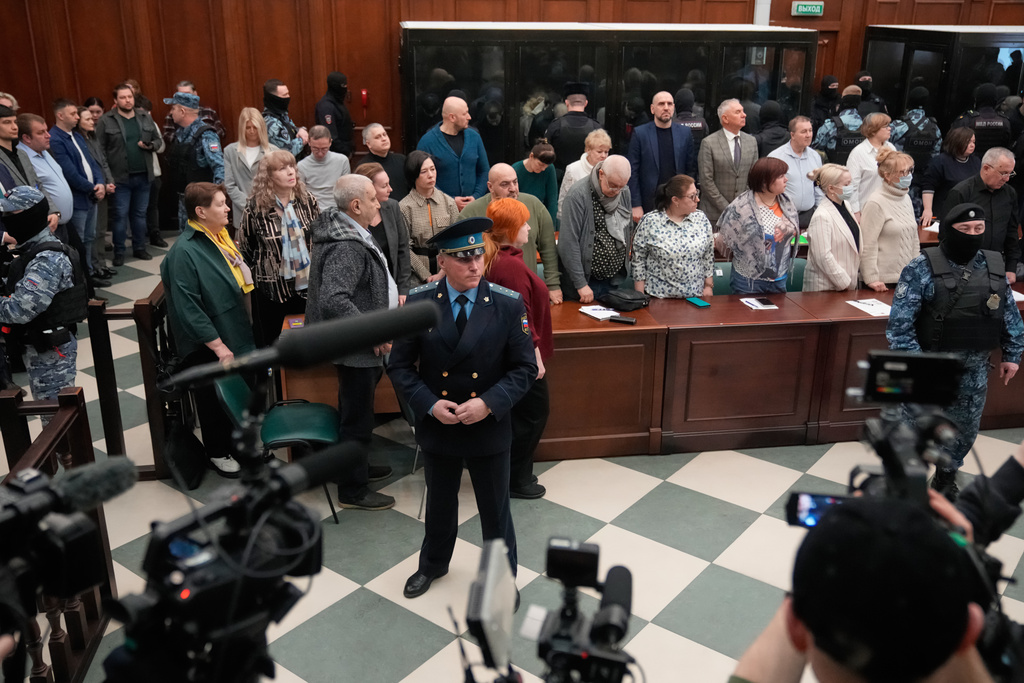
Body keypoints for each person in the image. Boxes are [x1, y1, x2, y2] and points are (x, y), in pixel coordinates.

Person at [388, 217, 536, 601]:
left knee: (495, 512)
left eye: (477, 256)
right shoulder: (420, 304)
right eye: (461, 258)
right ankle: (433, 564)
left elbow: (525, 369)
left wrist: (488, 403)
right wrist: (428, 404)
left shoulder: (506, 304)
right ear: (442, 262)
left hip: (488, 426)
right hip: (441, 424)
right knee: (439, 504)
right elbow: (400, 366)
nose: (473, 265)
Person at [731, 496, 989, 683]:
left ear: (795, 626)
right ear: (971, 629)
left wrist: (832, 541)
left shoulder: (796, 621)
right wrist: (960, 561)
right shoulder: (966, 629)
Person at [888, 203, 1024, 499]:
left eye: (979, 229)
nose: (973, 234)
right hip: (926, 372)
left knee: (962, 432)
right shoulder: (920, 268)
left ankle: (945, 480)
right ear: (950, 231)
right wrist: (919, 368)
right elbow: (899, 328)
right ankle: (906, 488)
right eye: (965, 230)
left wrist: (1013, 354)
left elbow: (1009, 314)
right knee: (913, 433)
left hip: (973, 372)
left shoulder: (994, 266)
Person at [306, 174, 397, 510]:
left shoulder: (348, 230)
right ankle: (353, 490)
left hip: (359, 344)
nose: (380, 201)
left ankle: (355, 468)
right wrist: (370, 332)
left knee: (354, 413)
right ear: (356, 205)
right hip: (358, 347)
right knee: (357, 419)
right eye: (373, 197)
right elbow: (334, 298)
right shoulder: (346, 244)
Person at [160, 182, 255, 478]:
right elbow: (188, 307)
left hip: (234, 327)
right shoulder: (185, 252)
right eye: (220, 204)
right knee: (214, 399)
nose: (227, 208)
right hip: (210, 342)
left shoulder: (219, 236)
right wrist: (217, 346)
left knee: (240, 392)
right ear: (201, 212)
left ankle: (241, 445)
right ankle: (218, 451)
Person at [483, 198, 552, 499]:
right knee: (533, 414)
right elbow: (520, 315)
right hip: (520, 356)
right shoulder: (509, 265)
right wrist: (534, 356)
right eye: (523, 223)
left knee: (522, 416)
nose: (528, 227)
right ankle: (516, 479)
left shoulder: (503, 256)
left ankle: (513, 475)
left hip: (509, 353)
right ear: (511, 229)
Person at [0, 187, 86, 407]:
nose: (6, 220)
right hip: (40, 346)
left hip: (51, 352)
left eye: (12, 215)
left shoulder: (47, 259)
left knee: (56, 420)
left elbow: (19, 310)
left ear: (32, 215)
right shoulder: (32, 251)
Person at [239, 150, 320, 347]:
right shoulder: (255, 207)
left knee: (306, 341)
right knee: (273, 342)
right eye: (282, 169)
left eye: (292, 166)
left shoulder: (307, 200)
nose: (291, 172)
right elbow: (246, 248)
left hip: (306, 287)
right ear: (268, 176)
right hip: (272, 289)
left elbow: (319, 237)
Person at [459, 163, 561, 302]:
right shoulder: (471, 213)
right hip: (484, 294)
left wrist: (553, 285)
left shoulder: (534, 205)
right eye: (505, 184)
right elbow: (458, 255)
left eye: (515, 182)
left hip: (525, 289)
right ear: (490, 187)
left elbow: (548, 248)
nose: (513, 188)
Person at [97, 83, 162, 265]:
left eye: (130, 97)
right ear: (115, 101)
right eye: (123, 97)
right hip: (119, 178)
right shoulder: (106, 120)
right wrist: (107, 177)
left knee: (140, 215)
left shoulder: (144, 116)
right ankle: (119, 252)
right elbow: (99, 150)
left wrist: (151, 146)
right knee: (120, 216)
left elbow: (158, 141)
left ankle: (139, 248)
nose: (127, 100)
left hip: (143, 175)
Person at [48, 99, 108, 288]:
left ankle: (89, 273)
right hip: (78, 198)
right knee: (79, 242)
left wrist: (99, 183)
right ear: (60, 115)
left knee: (89, 238)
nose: (77, 117)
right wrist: (92, 188)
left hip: (90, 195)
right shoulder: (55, 139)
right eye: (73, 114)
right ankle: (82, 279)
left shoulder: (77, 136)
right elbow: (69, 172)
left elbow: (91, 163)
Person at [558, 155, 633, 302]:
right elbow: (568, 242)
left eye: (621, 186)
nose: (617, 191)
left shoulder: (624, 191)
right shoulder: (577, 195)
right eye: (613, 185)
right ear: (601, 174)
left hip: (613, 280)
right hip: (585, 283)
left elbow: (627, 228)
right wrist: (581, 284)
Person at [719, 157, 799, 295]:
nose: (786, 180)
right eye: (780, 176)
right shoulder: (741, 206)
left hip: (779, 277)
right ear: (764, 181)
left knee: (777, 315)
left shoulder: (787, 202)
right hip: (748, 280)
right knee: (747, 316)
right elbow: (723, 240)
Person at [630, 174, 713, 299]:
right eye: (692, 196)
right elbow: (638, 261)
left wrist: (708, 286)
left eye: (697, 194)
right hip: (658, 297)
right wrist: (640, 297)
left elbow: (708, 254)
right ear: (675, 200)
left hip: (695, 297)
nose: (697, 200)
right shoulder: (650, 221)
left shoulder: (701, 219)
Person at [945, 147, 1020, 283]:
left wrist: (1011, 267)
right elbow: (946, 235)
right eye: (1003, 173)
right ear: (986, 168)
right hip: (965, 268)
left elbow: (1011, 232)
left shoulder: (1010, 194)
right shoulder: (961, 192)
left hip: (997, 265)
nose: (1007, 179)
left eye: (1010, 173)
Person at [627, 91, 697, 223]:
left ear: (674, 108)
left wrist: (690, 199)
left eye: (669, 104)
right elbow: (632, 170)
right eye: (661, 104)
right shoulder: (640, 133)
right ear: (652, 109)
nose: (666, 107)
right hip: (649, 202)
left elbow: (690, 169)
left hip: (678, 200)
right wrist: (635, 204)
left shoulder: (684, 133)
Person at [162, 91, 225, 231]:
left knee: (203, 239)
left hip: (201, 202)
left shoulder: (206, 134)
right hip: (184, 198)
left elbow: (219, 167)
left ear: (182, 111)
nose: (171, 113)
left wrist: (214, 198)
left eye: (173, 109)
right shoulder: (180, 134)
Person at [859, 148, 920, 292]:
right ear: (888, 175)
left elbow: (914, 239)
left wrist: (917, 272)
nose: (909, 176)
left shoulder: (906, 198)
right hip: (882, 283)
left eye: (910, 170)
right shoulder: (876, 202)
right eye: (903, 172)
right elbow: (867, 244)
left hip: (907, 280)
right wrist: (871, 278)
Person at [399, 150, 461, 287]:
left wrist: (442, 273)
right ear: (413, 175)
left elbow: (456, 240)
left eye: (433, 169)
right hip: (416, 275)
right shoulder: (404, 207)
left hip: (447, 269)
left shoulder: (448, 202)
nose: (431, 175)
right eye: (424, 172)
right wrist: (425, 276)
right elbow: (404, 247)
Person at [415, 96, 489, 210]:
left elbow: (484, 171)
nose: (469, 117)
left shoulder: (474, 137)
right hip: (440, 211)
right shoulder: (427, 142)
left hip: (473, 209)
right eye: (465, 114)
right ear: (452, 117)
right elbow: (422, 178)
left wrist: (476, 197)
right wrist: (450, 200)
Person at [354, 162, 411, 303]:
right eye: (384, 186)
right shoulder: (354, 214)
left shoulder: (392, 207)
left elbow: (403, 250)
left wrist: (403, 289)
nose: (390, 189)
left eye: (389, 184)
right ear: (369, 189)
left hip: (392, 288)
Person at [698, 99, 757, 226]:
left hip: (743, 213)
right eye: (738, 112)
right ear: (725, 118)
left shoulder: (751, 142)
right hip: (714, 215)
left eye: (743, 111)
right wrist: (728, 208)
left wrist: (740, 205)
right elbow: (706, 180)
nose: (744, 114)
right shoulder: (709, 143)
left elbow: (753, 177)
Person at [803, 164, 860, 291]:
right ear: (831, 188)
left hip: (847, 286)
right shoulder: (822, 216)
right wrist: (844, 282)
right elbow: (823, 256)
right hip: (826, 289)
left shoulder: (846, 206)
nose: (850, 188)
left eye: (851, 183)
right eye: (846, 185)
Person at [76, 105, 116, 279]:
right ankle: (93, 267)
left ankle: (100, 263)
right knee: (91, 234)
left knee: (100, 232)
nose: (92, 120)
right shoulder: (77, 140)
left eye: (92, 118)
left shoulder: (93, 137)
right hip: (90, 191)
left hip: (102, 186)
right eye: (87, 118)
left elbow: (102, 162)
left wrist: (109, 181)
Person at [224, 107, 278, 230]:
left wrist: (264, 205)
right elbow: (230, 185)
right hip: (242, 215)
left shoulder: (273, 151)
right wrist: (249, 206)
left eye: (255, 127)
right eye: (248, 128)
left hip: (268, 212)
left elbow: (278, 183)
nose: (252, 131)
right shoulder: (230, 151)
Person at [768, 115, 823, 230]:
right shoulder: (776, 157)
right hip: (783, 217)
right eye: (803, 132)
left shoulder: (815, 156)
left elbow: (818, 187)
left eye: (810, 130)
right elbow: (769, 190)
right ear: (792, 135)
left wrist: (820, 212)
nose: (808, 135)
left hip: (809, 216)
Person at [920, 127, 981, 227]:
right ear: (957, 141)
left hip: (968, 213)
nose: (972, 145)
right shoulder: (939, 161)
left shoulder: (976, 162)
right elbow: (928, 187)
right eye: (968, 142)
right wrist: (927, 210)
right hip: (942, 213)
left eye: (973, 142)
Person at [846, 112, 897, 219]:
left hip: (890, 210)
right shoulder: (858, 153)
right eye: (885, 126)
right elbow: (852, 186)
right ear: (873, 130)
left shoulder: (891, 148)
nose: (890, 128)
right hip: (867, 212)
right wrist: (855, 212)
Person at [543, 82, 601, 175]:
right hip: (587, 178)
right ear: (586, 103)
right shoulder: (596, 128)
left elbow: (545, 155)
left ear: (566, 103)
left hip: (560, 178)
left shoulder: (555, 126)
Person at [557, 128, 610, 223]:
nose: (603, 155)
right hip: (577, 221)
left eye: (606, 152)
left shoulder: (610, 169)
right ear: (588, 150)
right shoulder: (573, 169)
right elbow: (563, 201)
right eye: (599, 151)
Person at [296, 125, 351, 211]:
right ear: (309, 142)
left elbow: (346, 190)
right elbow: (301, 194)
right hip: (313, 210)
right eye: (315, 149)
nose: (320, 153)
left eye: (324, 149)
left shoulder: (342, 160)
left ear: (330, 143)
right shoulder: (302, 165)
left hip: (338, 209)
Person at [951, 83, 1012, 159]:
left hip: (968, 164)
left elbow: (952, 145)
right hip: (993, 164)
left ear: (977, 99)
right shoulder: (1005, 122)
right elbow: (1006, 147)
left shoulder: (967, 119)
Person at [159, 80, 227, 148]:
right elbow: (166, 136)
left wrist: (207, 137)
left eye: (187, 93)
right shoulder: (172, 115)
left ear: (195, 94)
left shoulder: (208, 111)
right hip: (184, 153)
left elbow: (221, 131)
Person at [355, 123, 409, 201]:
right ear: (368, 144)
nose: (384, 139)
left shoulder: (402, 160)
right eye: (378, 137)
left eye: (385, 135)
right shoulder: (364, 167)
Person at [812, 85, 865, 164]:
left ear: (842, 102)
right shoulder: (867, 125)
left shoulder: (830, 125)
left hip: (834, 172)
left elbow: (815, 150)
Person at [512, 140, 558, 228]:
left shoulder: (549, 169)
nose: (543, 169)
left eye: (546, 166)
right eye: (540, 164)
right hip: (520, 217)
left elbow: (552, 200)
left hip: (540, 216)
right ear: (531, 156)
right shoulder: (516, 169)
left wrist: (551, 227)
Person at [262, 78, 308, 158]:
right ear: (274, 99)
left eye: (288, 93)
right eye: (284, 95)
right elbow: (287, 152)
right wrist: (304, 138)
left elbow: (292, 129)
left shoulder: (281, 115)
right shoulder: (271, 123)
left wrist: (301, 130)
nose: (288, 97)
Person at [313, 71, 354, 157]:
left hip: (344, 152)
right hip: (335, 154)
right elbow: (331, 135)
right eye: (343, 86)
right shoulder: (326, 106)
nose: (345, 88)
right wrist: (345, 150)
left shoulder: (338, 102)